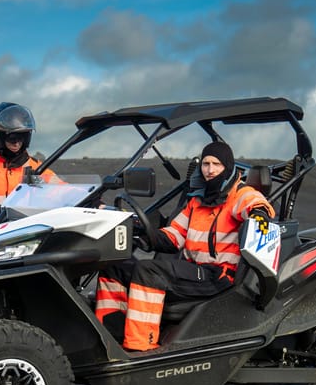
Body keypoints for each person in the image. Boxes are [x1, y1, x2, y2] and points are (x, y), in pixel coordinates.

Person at [95, 140, 274, 352]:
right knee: (115, 266)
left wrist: (259, 215)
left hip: (218, 275)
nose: (210, 170)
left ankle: (140, 347)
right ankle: (111, 338)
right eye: (206, 164)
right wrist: (144, 233)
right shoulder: (196, 201)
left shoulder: (238, 194)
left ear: (228, 167)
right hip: (194, 271)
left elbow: (256, 203)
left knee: (148, 271)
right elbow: (173, 237)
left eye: (216, 164)